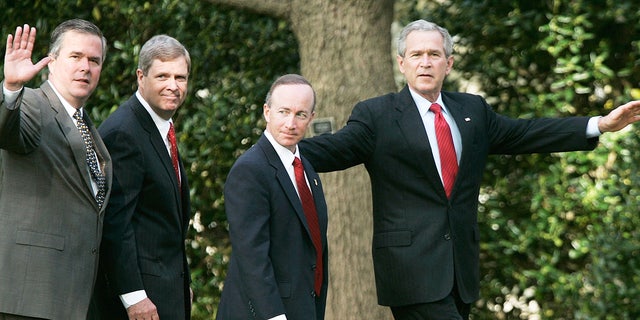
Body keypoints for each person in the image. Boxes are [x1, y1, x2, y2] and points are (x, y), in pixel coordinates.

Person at [298, 19, 640, 320]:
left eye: (434, 55)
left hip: (459, 271)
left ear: (449, 63)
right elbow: (332, 149)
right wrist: (275, 150)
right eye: (416, 55)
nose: (425, 63)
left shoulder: (471, 111)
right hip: (410, 270)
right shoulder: (377, 115)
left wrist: (600, 125)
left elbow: (525, 133)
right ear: (401, 63)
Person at [0, 19, 112, 319]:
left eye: (94, 60)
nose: (85, 67)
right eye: (75, 56)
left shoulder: (88, 127)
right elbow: (6, 128)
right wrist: (11, 88)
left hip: (70, 300)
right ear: (51, 61)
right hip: (27, 299)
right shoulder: (34, 105)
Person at [90, 35, 192, 320]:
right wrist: (135, 297)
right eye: (163, 76)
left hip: (165, 292)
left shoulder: (159, 127)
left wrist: (181, 285)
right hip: (140, 304)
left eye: (180, 77)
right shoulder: (125, 132)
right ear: (141, 76)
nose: (173, 86)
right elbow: (115, 223)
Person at [216, 74, 329, 320]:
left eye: (300, 114)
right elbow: (252, 256)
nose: (291, 123)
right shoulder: (250, 169)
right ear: (267, 112)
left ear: (311, 118)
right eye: (283, 112)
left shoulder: (305, 167)